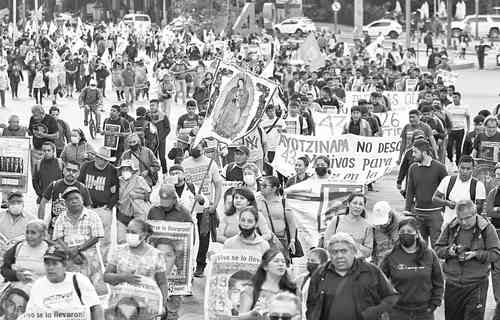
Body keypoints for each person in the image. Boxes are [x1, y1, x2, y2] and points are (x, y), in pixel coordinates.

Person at [306, 232, 398, 320]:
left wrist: (374, 312)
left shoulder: (370, 271)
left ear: (354, 251)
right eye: (335, 252)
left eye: (344, 251)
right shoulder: (320, 273)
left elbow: (392, 297)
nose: (339, 256)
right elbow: (311, 305)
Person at [435, 199, 500, 320]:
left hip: (476, 285)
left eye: (467, 218)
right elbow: (438, 249)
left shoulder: (486, 228)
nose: (463, 222)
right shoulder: (451, 226)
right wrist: (449, 251)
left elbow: (495, 254)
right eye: (460, 218)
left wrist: (476, 254)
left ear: (475, 213)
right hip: (453, 284)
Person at [103, 219, 169, 319]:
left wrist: (163, 305)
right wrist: (124, 277)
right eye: (128, 231)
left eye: (133, 232)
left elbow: (162, 282)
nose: (129, 235)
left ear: (144, 235)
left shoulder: (156, 255)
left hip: (146, 308)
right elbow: (106, 276)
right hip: (120, 306)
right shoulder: (119, 251)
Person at [380, 217, 444, 320]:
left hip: (424, 312)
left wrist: (434, 304)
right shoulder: (390, 256)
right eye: (402, 231)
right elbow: (379, 283)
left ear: (417, 234)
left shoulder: (429, 255)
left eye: (409, 231)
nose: (406, 234)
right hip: (398, 311)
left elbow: (438, 281)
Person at [181, 140, 223, 277]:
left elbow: (218, 185)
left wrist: (215, 205)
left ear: (203, 148)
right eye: (192, 145)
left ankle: (200, 265)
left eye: (197, 146)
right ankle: (187, 264)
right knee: (188, 239)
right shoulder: (184, 163)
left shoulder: (211, 163)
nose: (194, 148)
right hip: (189, 208)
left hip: (205, 209)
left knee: (204, 238)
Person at [26, 247, 104, 320]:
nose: (50, 268)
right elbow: (30, 315)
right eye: (47, 264)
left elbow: (95, 308)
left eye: (54, 264)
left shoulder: (79, 280)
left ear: (65, 265)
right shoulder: (38, 285)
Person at [52, 186, 104, 276]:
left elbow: (96, 237)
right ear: (66, 203)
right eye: (70, 199)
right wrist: (71, 253)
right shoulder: (61, 218)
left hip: (90, 253)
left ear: (82, 200)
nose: (74, 201)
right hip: (69, 254)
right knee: (72, 283)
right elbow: (58, 238)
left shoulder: (92, 215)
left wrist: (78, 250)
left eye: (76, 198)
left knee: (95, 284)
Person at [405, 140, 448, 246]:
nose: (413, 155)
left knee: (437, 247)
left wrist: (445, 210)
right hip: (418, 214)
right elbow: (410, 191)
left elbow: (447, 190)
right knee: (419, 247)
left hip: (435, 215)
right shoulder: (413, 168)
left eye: (415, 152)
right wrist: (407, 210)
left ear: (424, 152)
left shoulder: (439, 168)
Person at [38, 161, 92, 235]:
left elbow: (88, 209)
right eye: (68, 170)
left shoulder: (82, 188)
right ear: (63, 170)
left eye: (74, 171)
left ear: (78, 173)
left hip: (74, 232)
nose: (71, 173)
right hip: (54, 230)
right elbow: (42, 203)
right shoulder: (54, 185)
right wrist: (40, 223)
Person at [239, 249, 297, 318]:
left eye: (283, 262)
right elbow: (239, 317)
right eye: (276, 261)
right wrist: (251, 314)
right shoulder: (251, 290)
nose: (281, 264)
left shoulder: (292, 290)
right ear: (265, 266)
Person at [433, 155, 486, 224]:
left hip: (467, 227)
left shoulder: (478, 185)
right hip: (448, 224)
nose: (465, 171)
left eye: (468, 169)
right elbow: (435, 198)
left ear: (473, 169)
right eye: (462, 168)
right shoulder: (447, 180)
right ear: (458, 167)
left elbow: (479, 208)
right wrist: (447, 203)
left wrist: (466, 208)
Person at [1, 220, 50, 292]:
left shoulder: (50, 248)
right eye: (27, 232)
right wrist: (16, 275)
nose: (29, 236)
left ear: (43, 235)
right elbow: (4, 269)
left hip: (42, 290)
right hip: (17, 289)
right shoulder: (19, 247)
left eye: (33, 233)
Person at [257, 176, 298, 258]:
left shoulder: (283, 202)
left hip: (281, 239)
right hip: (262, 239)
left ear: (274, 188)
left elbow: (291, 223)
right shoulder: (257, 200)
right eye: (261, 185)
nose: (261, 187)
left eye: (265, 186)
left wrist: (292, 240)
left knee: (281, 264)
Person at [323, 192, 373, 258]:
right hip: (337, 262)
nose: (357, 207)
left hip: (357, 265)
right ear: (348, 204)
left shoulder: (367, 226)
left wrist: (354, 243)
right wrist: (341, 242)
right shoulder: (337, 220)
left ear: (364, 207)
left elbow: (368, 252)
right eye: (355, 203)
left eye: (361, 204)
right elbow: (326, 243)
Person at [295, 247, 329, 320]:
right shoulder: (306, 278)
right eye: (308, 260)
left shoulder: (326, 281)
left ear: (323, 263)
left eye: (313, 261)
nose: (309, 263)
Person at [117, 160, 152, 228]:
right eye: (123, 169)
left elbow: (148, 194)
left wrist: (137, 196)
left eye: (127, 169)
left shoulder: (139, 179)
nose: (125, 171)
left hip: (138, 213)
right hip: (123, 213)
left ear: (132, 171)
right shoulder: (118, 181)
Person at [367, 201, 402, 265]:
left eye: (383, 222)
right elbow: (373, 251)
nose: (381, 225)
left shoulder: (403, 226)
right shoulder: (374, 229)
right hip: (381, 265)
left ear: (390, 216)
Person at [28, 105, 59, 169]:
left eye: (36, 115)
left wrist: (43, 135)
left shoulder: (51, 120)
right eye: (33, 115)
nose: (34, 117)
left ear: (42, 113)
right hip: (36, 150)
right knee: (35, 170)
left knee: (47, 170)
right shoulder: (32, 118)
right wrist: (27, 130)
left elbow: (56, 136)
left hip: (48, 151)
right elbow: (30, 133)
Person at [486, 164, 500, 303]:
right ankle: (498, 300)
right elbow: (489, 211)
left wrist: (497, 210)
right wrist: (495, 210)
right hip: (496, 234)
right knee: (496, 269)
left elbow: (494, 211)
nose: (498, 178)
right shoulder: (493, 193)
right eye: (497, 175)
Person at [446, 92, 470, 166]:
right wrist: (447, 129)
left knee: (458, 147)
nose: (454, 99)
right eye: (453, 97)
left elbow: (468, 118)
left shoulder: (465, 107)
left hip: (460, 129)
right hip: (451, 130)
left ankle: (457, 163)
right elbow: (446, 119)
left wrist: (468, 129)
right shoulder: (449, 107)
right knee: (449, 146)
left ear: (459, 98)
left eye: (456, 97)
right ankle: (450, 158)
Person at [149, 99, 171, 174]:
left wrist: (162, 137)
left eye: (153, 105)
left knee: (162, 157)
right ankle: (154, 174)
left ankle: (165, 173)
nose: (151, 107)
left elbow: (168, 128)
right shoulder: (148, 116)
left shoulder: (163, 115)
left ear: (157, 106)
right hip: (152, 141)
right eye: (150, 105)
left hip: (161, 140)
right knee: (153, 157)